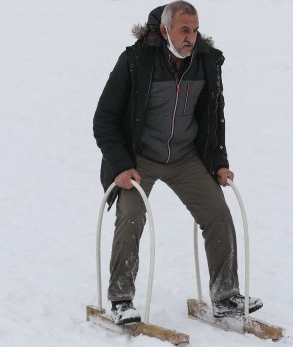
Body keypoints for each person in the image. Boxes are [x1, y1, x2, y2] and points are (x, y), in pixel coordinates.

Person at [92, 1, 262, 325]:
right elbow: (104, 120)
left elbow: (214, 119)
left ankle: (226, 296)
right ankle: (121, 300)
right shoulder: (135, 61)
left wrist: (218, 162)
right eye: (185, 30)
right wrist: (120, 166)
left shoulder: (207, 63)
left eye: (195, 30)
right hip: (140, 160)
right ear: (164, 30)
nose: (191, 38)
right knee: (131, 216)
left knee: (218, 213)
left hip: (185, 157)